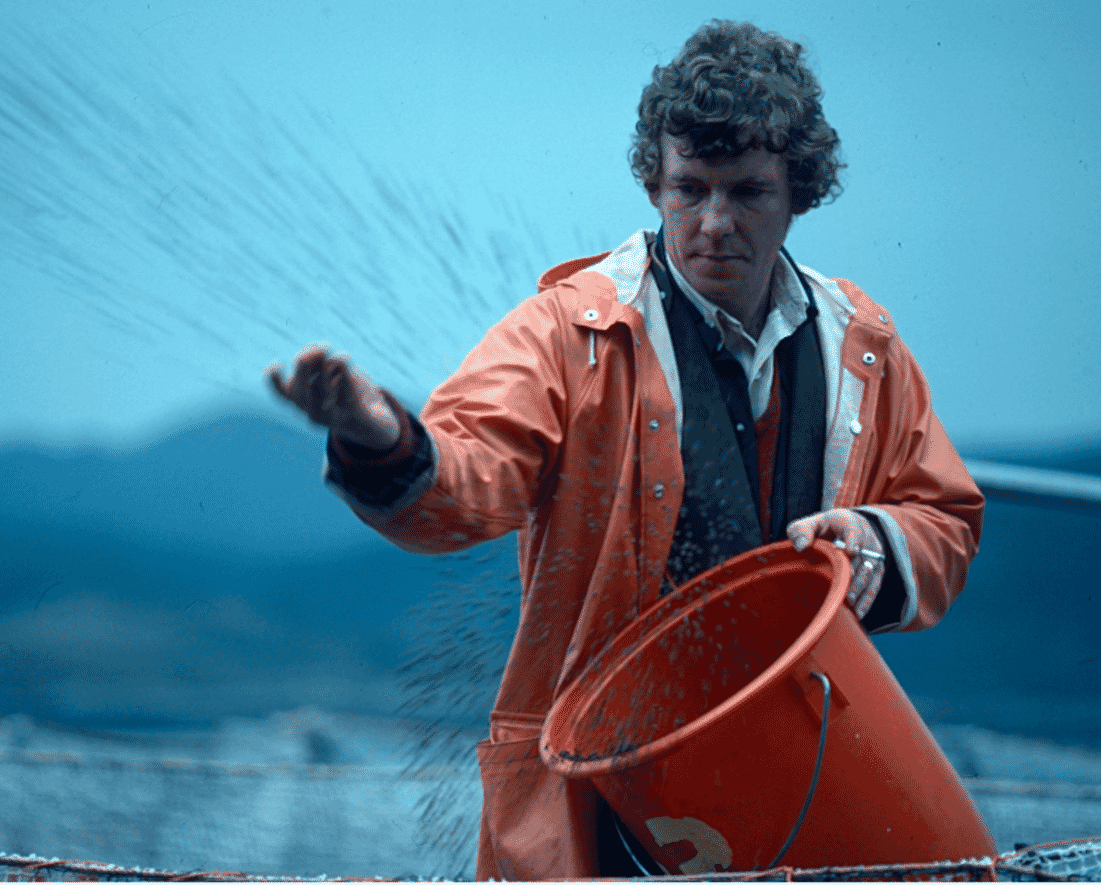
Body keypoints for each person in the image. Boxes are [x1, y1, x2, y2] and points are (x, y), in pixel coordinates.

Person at [268, 19, 983, 880]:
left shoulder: (862, 343)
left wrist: (873, 545)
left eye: (747, 192)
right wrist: (378, 434)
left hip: (808, 775)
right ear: (654, 185)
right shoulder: (568, 332)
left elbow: (943, 514)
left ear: (800, 191)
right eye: (692, 188)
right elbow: (465, 478)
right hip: (595, 800)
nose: (715, 222)